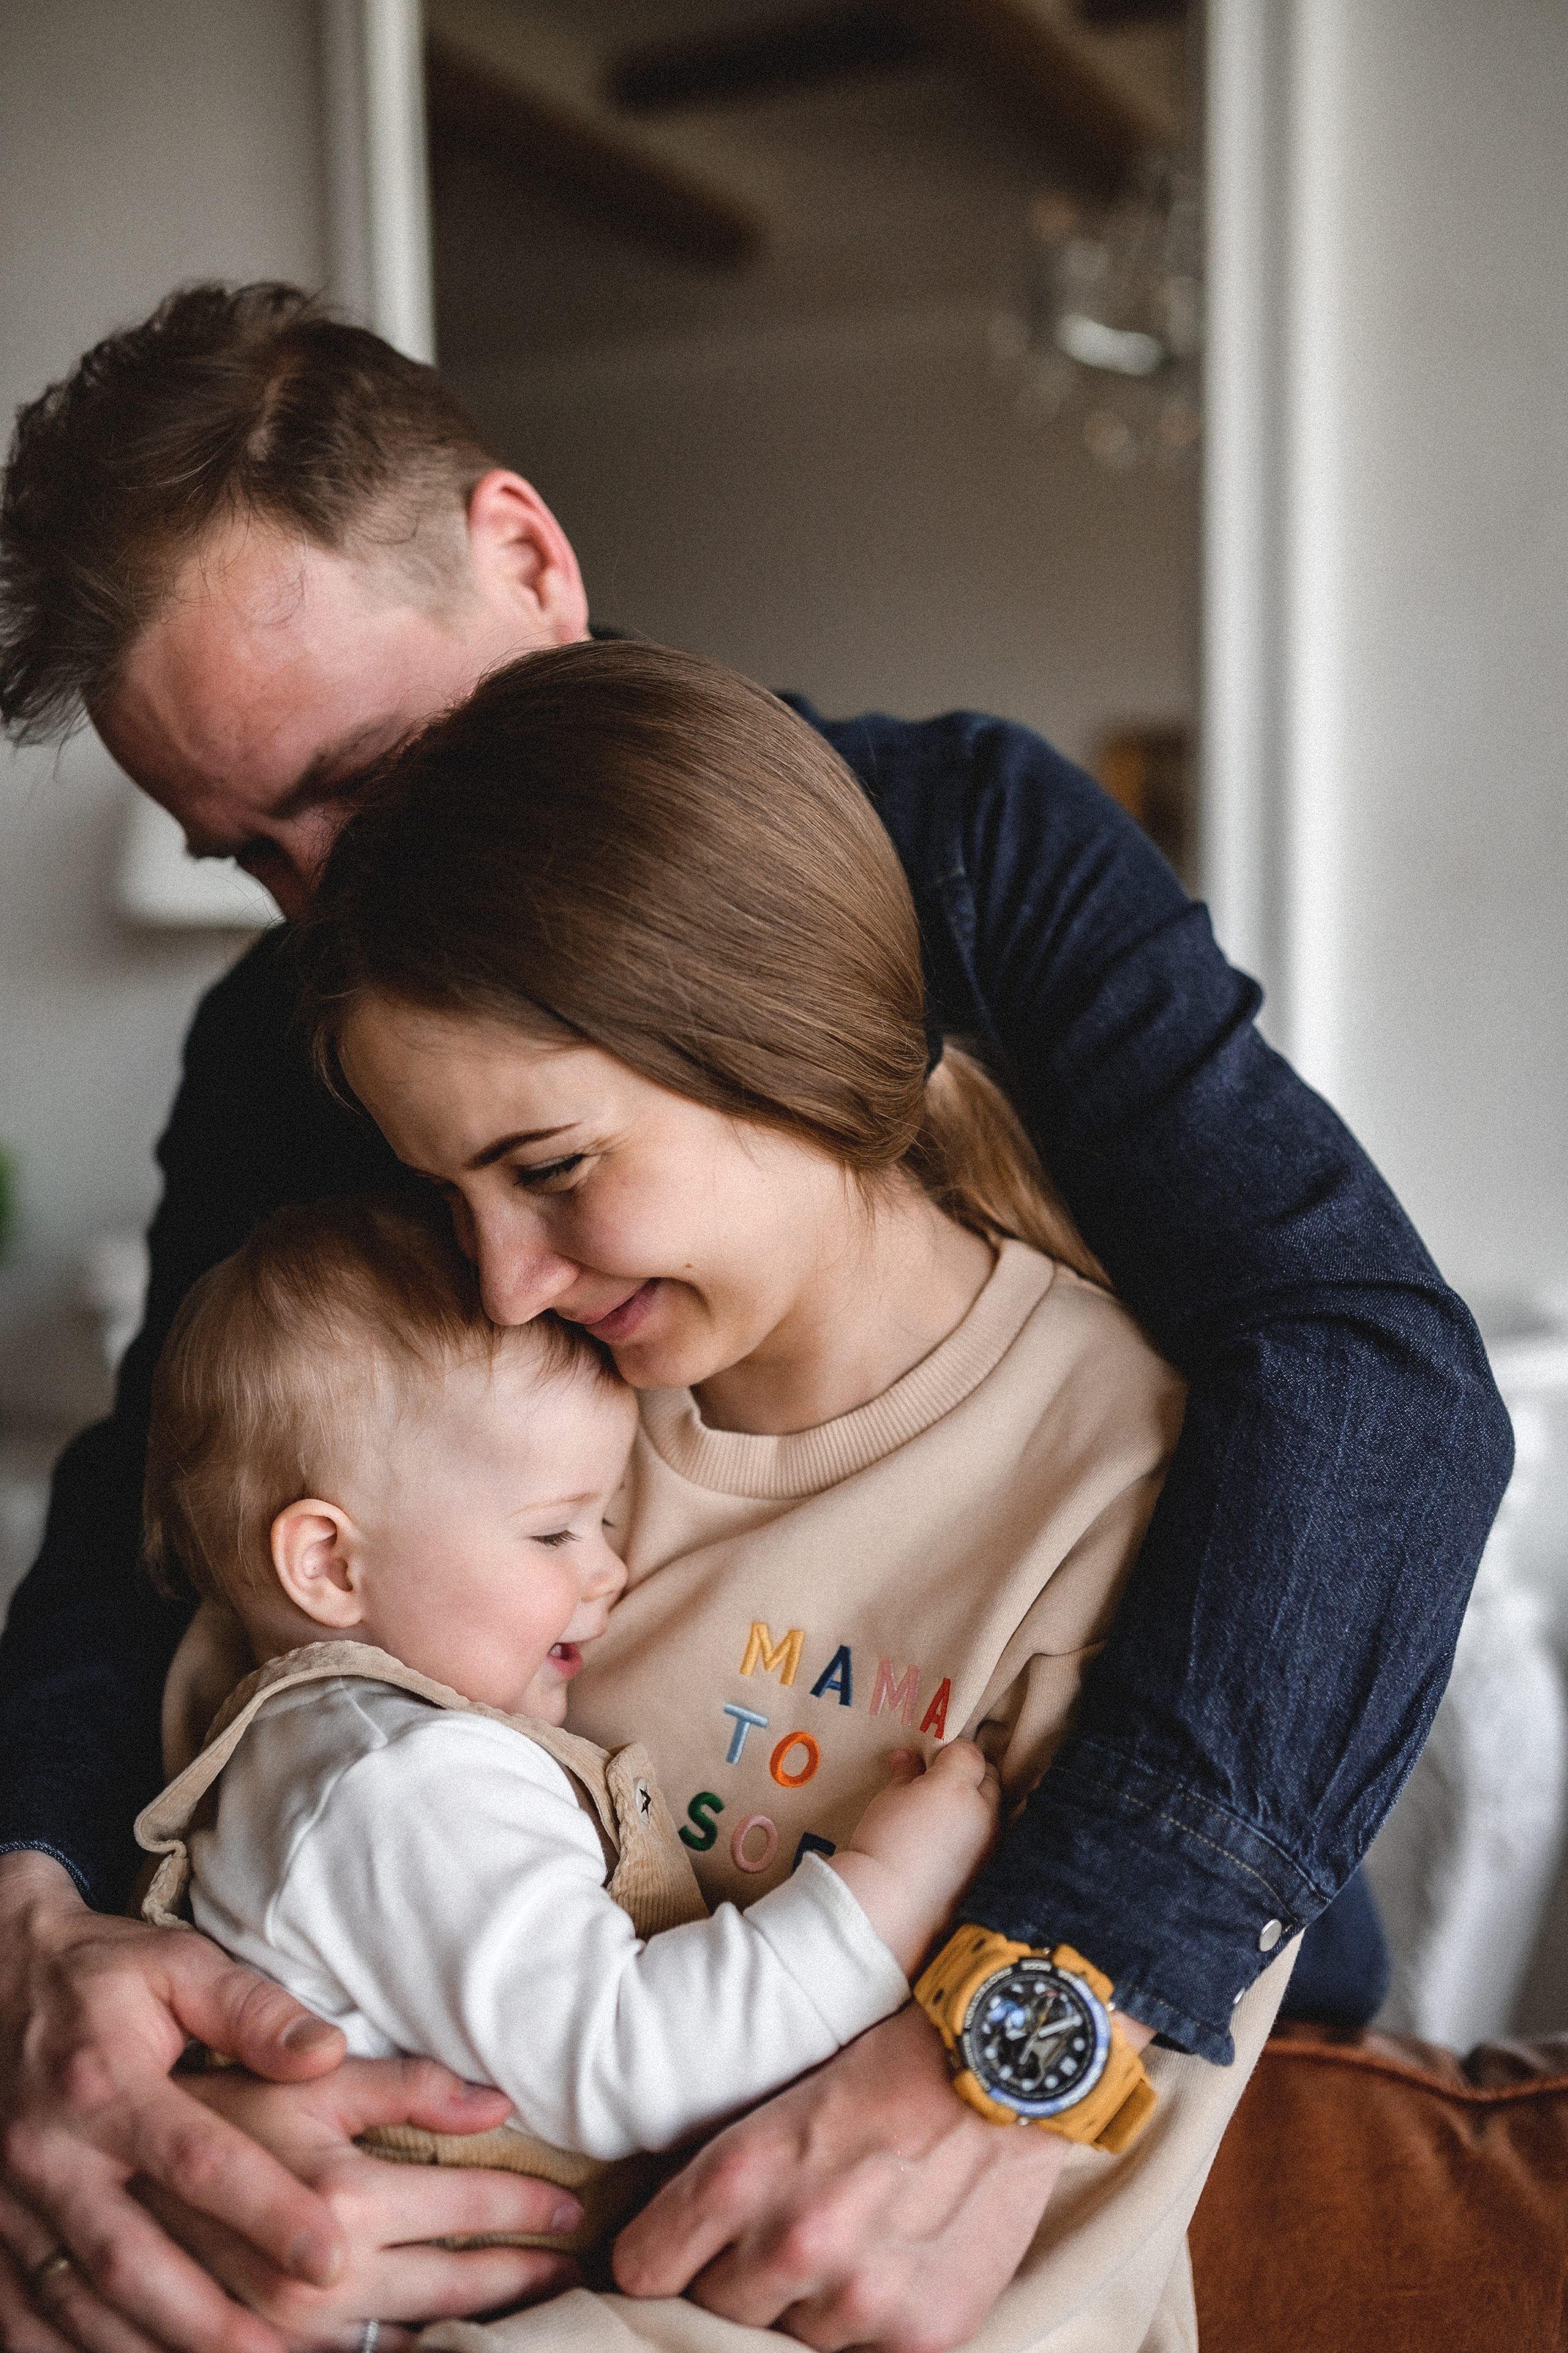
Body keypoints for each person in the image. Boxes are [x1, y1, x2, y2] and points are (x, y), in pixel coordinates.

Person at [0, 283, 1509, 2353]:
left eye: (358, 777)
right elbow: (146, 1517)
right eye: (254, 853)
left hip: (1083, 1956)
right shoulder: (287, 1044)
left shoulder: (956, 840)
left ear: (527, 557)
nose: (339, 900)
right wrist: (38, 1933)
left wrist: (1018, 2035)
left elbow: (1368, 1366)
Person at [262, 635, 1234, 2351]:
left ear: (772, 1031)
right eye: (449, 1191)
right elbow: (223, 1845)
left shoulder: (1143, 1490)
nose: (498, 1284)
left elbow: (1011, 2277)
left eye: (551, 1169)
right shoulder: (490, 1400)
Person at [137, 1189, 998, 2251]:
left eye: (604, 1520)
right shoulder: (405, 1785)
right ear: (330, 1563)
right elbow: (626, 2061)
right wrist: (889, 1896)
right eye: (553, 1533)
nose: (609, 1568)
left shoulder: (330, 1750)